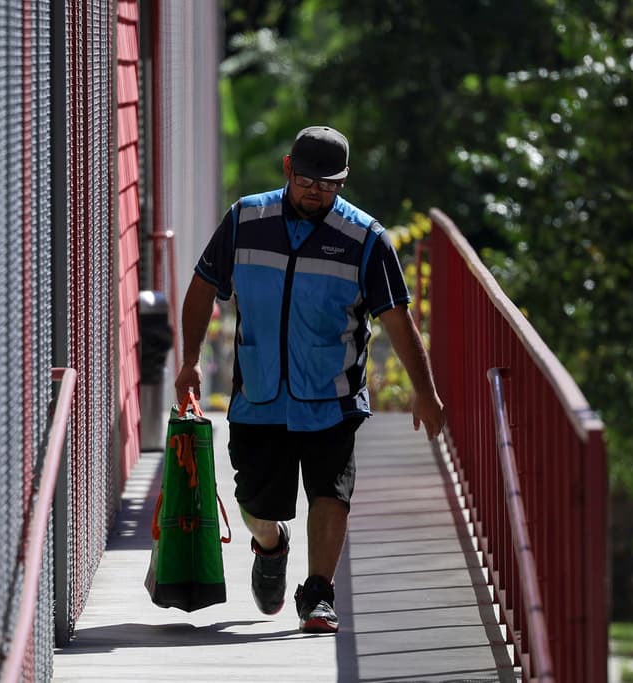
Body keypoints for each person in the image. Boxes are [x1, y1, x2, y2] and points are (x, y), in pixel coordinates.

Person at [174, 125, 445, 634]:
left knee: (331, 492)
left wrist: (425, 393)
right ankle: (270, 545)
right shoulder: (245, 219)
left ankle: (318, 593)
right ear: (286, 169)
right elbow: (202, 287)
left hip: (333, 396)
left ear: (342, 183)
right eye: (305, 180)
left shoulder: (365, 239)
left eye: (328, 183)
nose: (315, 191)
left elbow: (397, 320)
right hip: (259, 395)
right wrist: (189, 361)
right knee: (254, 500)